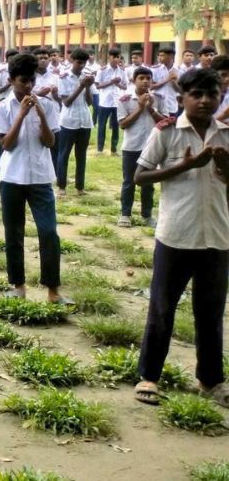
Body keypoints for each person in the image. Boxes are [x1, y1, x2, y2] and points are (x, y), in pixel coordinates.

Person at [132, 68, 229, 409]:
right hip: (175, 235)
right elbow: (140, 176)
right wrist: (186, 166)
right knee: (162, 308)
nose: (204, 101)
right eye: (196, 95)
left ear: (221, 96)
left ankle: (211, 379)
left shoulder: (226, 135)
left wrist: (224, 168)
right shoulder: (168, 132)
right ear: (182, 98)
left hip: (217, 237)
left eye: (211, 94)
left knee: (211, 311)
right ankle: (149, 376)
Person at [0, 54, 68, 304]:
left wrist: (41, 115)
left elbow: (50, 142)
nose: (28, 86)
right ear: (11, 80)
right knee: (13, 233)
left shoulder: (47, 105)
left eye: (31, 80)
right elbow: (6, 144)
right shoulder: (1, 108)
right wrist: (21, 115)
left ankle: (53, 290)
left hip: (40, 178)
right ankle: (18, 285)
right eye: (23, 80)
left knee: (49, 232)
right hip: (12, 177)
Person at [116, 67, 162, 228]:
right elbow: (123, 124)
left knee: (148, 183)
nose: (145, 81)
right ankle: (125, 214)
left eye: (148, 78)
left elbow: (164, 122)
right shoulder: (124, 99)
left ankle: (147, 215)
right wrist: (140, 108)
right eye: (141, 78)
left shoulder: (157, 98)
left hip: (151, 147)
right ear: (134, 80)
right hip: (131, 146)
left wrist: (150, 109)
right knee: (129, 181)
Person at [55, 48, 96, 197]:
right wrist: (81, 86)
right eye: (79, 62)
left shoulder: (87, 76)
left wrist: (88, 88)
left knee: (82, 155)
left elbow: (90, 102)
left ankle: (80, 186)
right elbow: (66, 102)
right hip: (68, 121)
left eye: (84, 63)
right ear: (72, 60)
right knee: (64, 154)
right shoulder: (64, 77)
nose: (81, 65)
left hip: (84, 120)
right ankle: (61, 186)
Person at [95, 49, 125, 156]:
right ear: (109, 57)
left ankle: (114, 149)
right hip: (105, 102)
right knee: (102, 126)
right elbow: (97, 85)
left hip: (117, 102)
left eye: (118, 57)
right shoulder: (102, 70)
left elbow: (125, 86)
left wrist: (118, 84)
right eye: (114, 57)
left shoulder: (122, 71)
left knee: (116, 127)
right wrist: (111, 82)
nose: (116, 59)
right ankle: (100, 149)